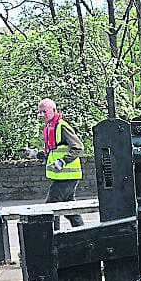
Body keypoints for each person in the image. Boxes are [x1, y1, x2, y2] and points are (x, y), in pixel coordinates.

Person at [38, 98, 85, 230]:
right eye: (40, 112)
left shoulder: (62, 126)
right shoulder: (50, 128)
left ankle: (53, 238)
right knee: (70, 210)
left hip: (67, 177)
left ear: (53, 110)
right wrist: (35, 153)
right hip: (63, 177)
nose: (41, 115)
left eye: (44, 112)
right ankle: (82, 232)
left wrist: (62, 161)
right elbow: (53, 151)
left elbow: (78, 147)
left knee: (51, 207)